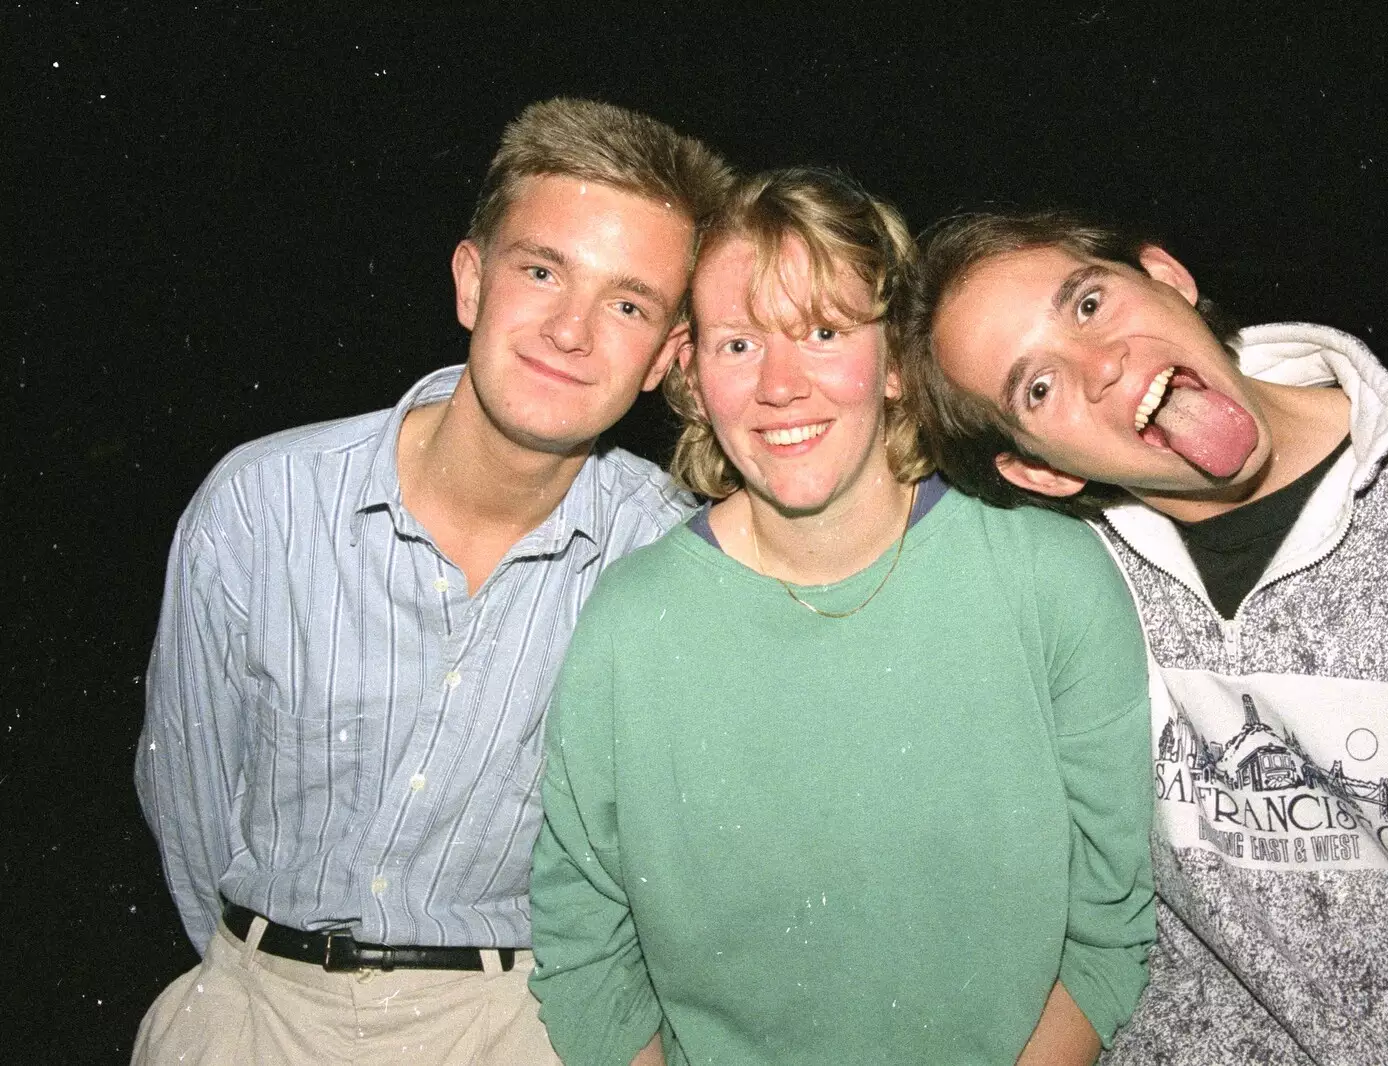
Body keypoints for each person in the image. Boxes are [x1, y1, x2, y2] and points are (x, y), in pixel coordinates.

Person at [901, 208, 1388, 1065]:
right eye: (1036, 388)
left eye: (1086, 305)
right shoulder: (1067, 570)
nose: (1102, 364)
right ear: (1043, 468)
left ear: (1166, 276)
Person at [132, 98, 732, 1065]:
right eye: (542, 271)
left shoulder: (675, 557)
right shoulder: (260, 507)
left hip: (518, 1023)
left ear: (668, 355)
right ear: (471, 281)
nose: (572, 331)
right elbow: (188, 800)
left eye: (629, 303)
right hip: (254, 1009)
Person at [526, 167, 1155, 1066]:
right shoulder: (631, 625)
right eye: (740, 344)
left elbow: (1109, 930)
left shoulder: (1045, 578)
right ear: (695, 378)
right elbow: (584, 943)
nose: (781, 384)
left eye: (823, 332)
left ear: (897, 362)